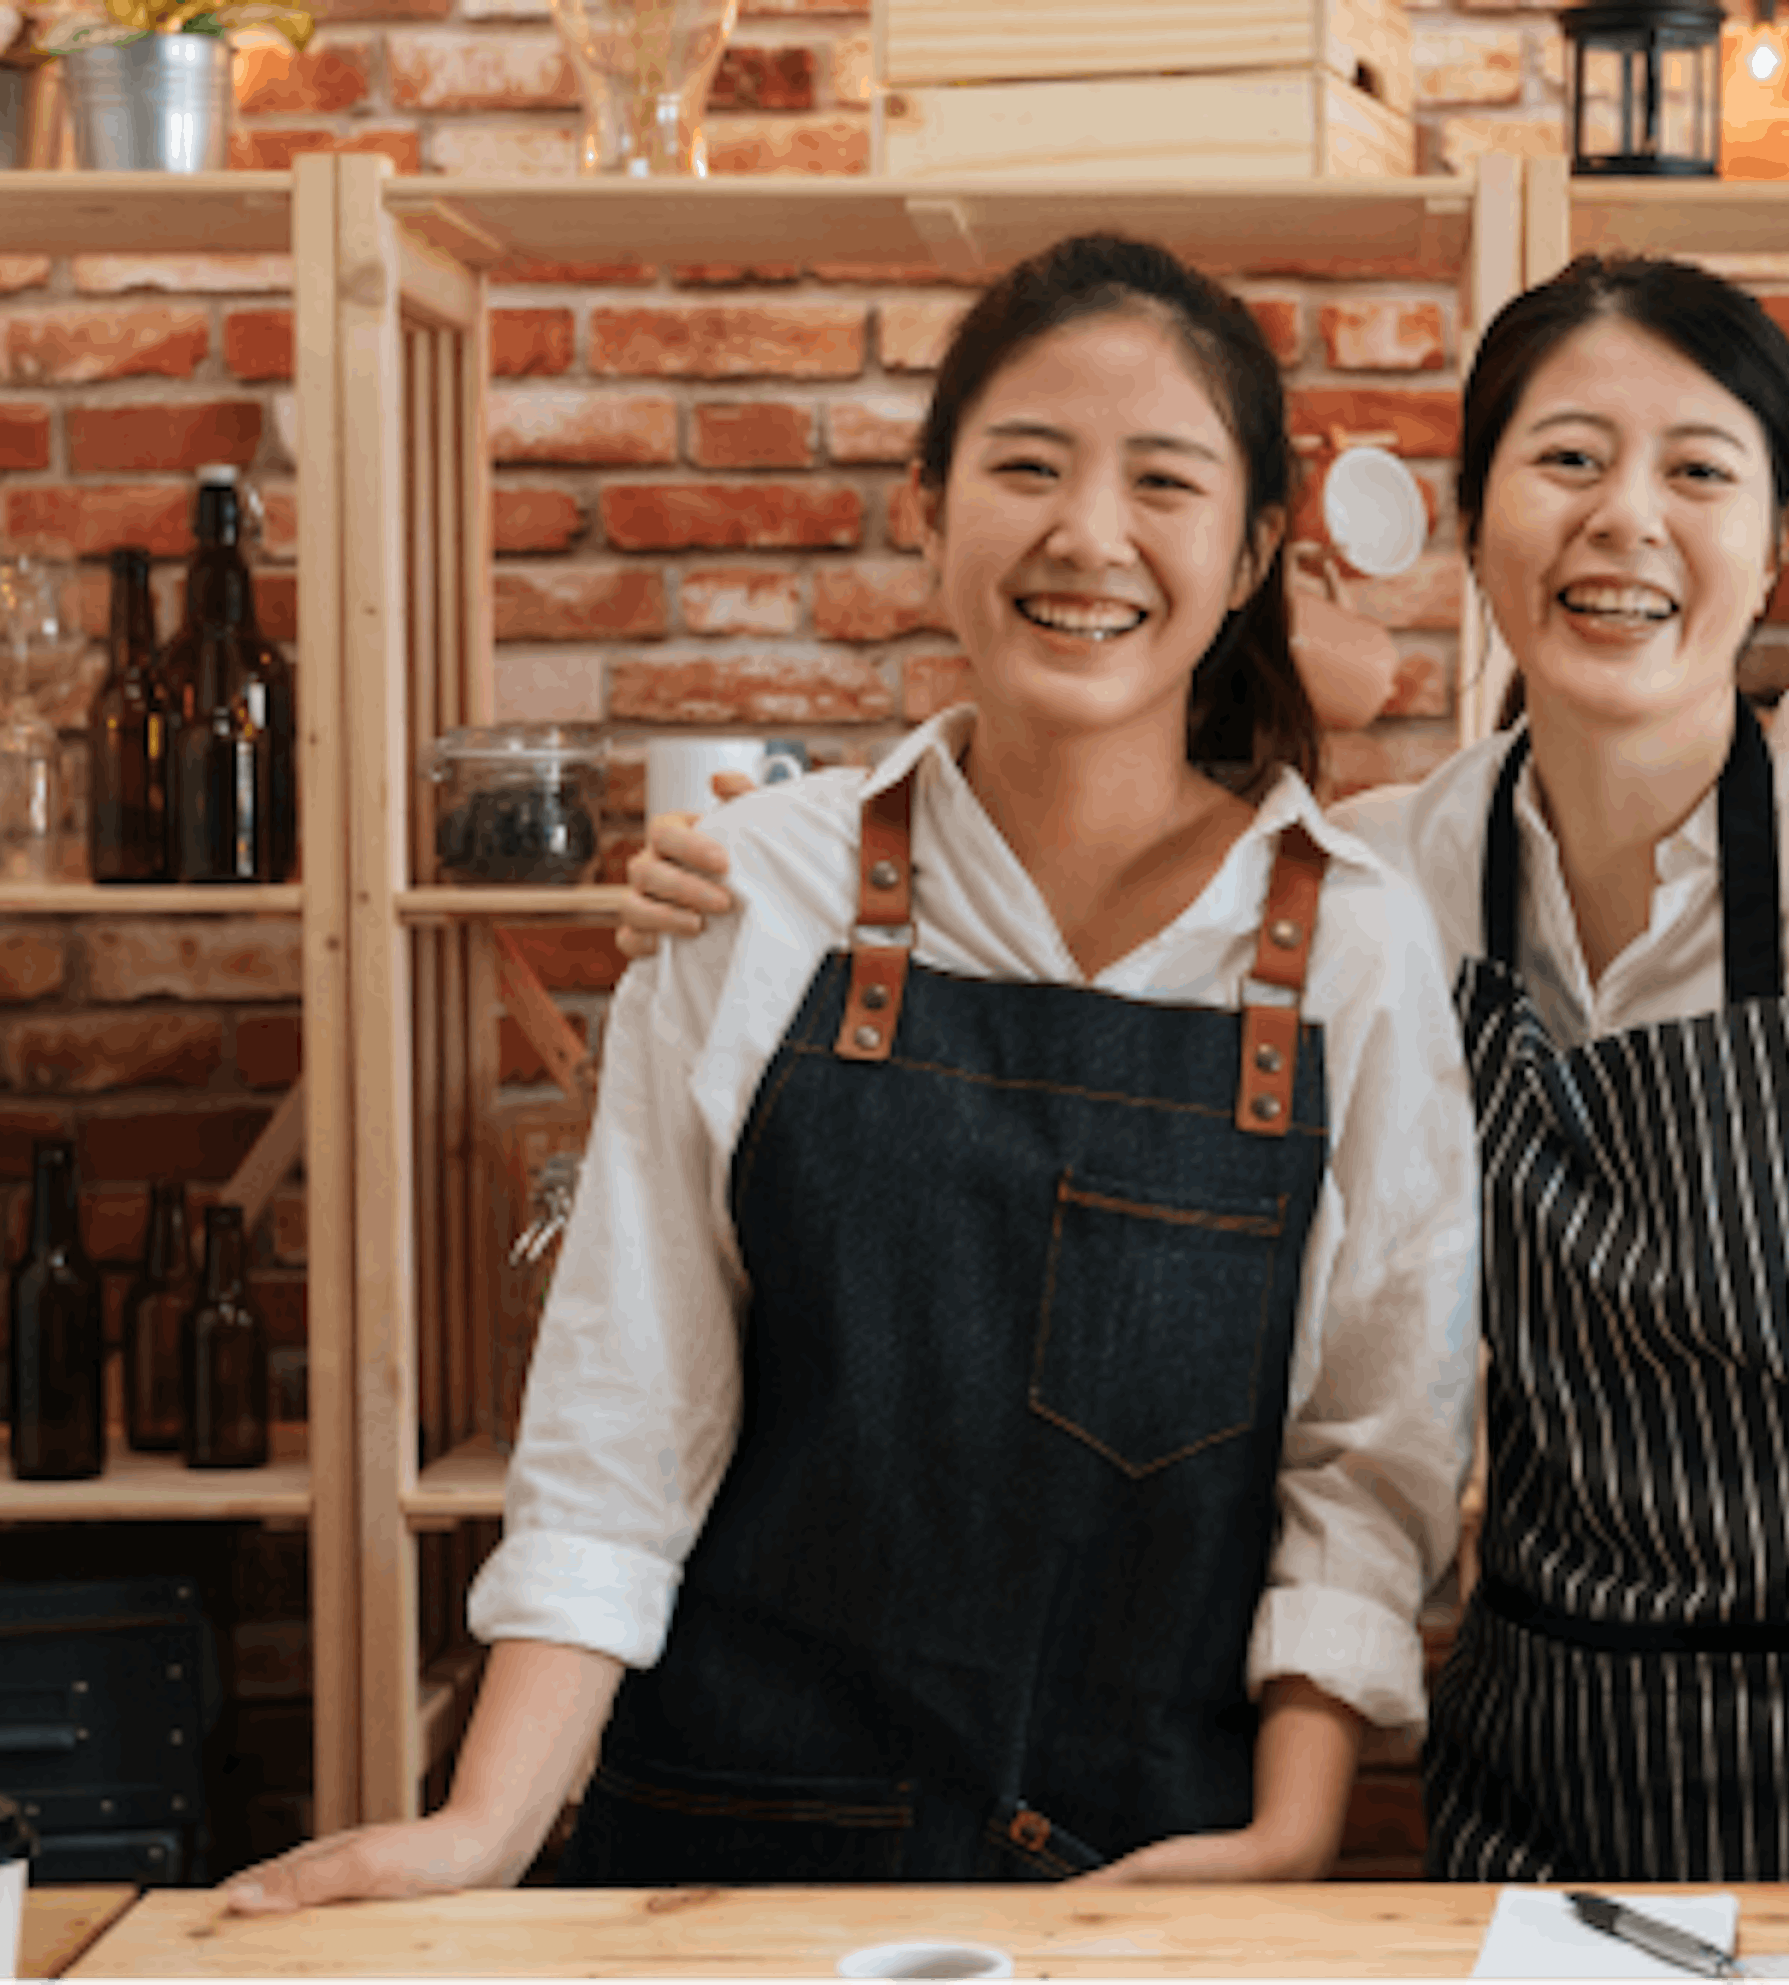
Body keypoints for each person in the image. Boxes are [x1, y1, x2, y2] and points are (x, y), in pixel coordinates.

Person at [617, 253, 1789, 1882]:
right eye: (1566, 459)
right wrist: (748, 883)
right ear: (1474, 529)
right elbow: (1097, 841)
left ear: (1773, 549)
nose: (1625, 518)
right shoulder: (1405, 878)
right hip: (1551, 1775)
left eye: (1698, 471)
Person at [226, 233, 1479, 1906]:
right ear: (925, 504)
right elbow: (628, 1403)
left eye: (1162, 483)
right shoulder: (760, 890)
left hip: (1147, 1876)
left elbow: (1367, 1450)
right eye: (1026, 466)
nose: (1086, 536)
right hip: (728, 1861)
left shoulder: (1355, 946)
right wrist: (485, 1829)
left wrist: (1292, 1831)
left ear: (1253, 552)